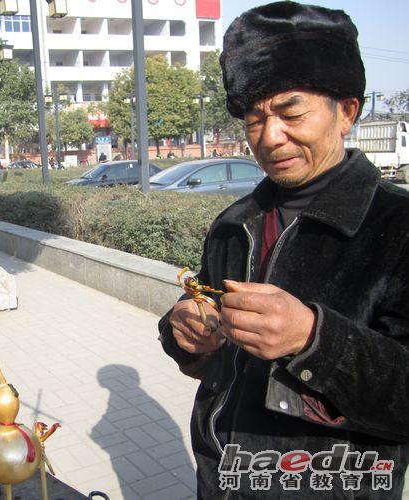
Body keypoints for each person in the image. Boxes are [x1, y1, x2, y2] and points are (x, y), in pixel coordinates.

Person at [158, 3, 409, 498]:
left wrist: (313, 338)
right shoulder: (234, 225)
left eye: (291, 113)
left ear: (347, 112)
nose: (271, 137)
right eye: (254, 119)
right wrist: (182, 329)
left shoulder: (398, 226)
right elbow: (203, 326)